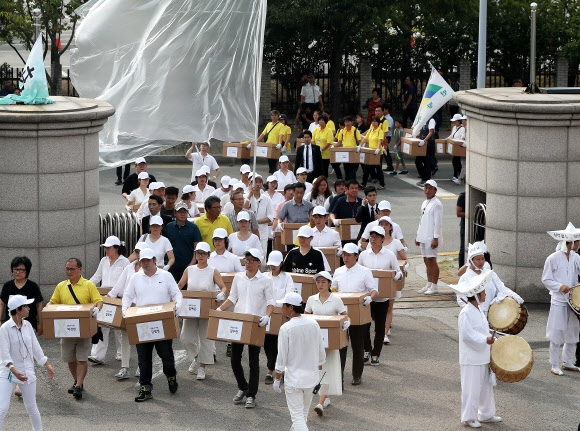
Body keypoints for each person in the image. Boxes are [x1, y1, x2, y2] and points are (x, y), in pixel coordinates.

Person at [122, 249, 183, 402]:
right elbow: (127, 296)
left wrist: (177, 307)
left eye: (148, 260)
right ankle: (145, 388)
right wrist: (125, 312)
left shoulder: (166, 276)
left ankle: (171, 376)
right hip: (142, 322)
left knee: (167, 357)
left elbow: (176, 293)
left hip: (162, 322)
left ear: (155, 260)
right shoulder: (135, 278)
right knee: (144, 358)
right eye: (143, 260)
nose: (146, 263)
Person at [217, 249, 275, 409]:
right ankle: (243, 387)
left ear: (258, 262)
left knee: (253, 361)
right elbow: (232, 298)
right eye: (246, 259)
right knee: (234, 359)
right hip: (239, 321)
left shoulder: (265, 280)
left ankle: (251, 395)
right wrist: (220, 310)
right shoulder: (238, 277)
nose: (248, 262)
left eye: (251, 260)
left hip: (256, 323)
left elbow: (271, 301)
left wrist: (267, 316)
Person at [449, 271, 502, 428]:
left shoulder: (478, 310)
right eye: (483, 293)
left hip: (482, 355)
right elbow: (467, 336)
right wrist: (486, 340)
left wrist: (494, 341)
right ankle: (469, 417)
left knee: (486, 387)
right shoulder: (465, 313)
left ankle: (486, 414)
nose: (485, 295)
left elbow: (483, 333)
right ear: (476, 296)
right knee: (471, 389)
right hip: (471, 358)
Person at [47, 258, 103, 400]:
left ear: (80, 270)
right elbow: (53, 301)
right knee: (70, 359)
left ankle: (78, 386)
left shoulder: (88, 285)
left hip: (83, 330)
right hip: (66, 330)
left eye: (72, 269)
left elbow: (99, 301)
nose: (69, 272)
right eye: (67, 269)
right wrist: (48, 309)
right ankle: (77, 381)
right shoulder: (61, 286)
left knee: (82, 359)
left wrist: (97, 309)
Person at [0, 295, 55, 431]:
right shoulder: (5, 328)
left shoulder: (28, 325)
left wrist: (47, 364)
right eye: (25, 306)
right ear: (18, 309)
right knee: (2, 408)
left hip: (27, 371)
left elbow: (36, 348)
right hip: (9, 373)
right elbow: (5, 354)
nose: (29, 308)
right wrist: (14, 371)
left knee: (32, 407)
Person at [273, 291, 326, 430]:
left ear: (291, 307)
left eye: (284, 305)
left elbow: (281, 357)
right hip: (311, 378)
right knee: (302, 416)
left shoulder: (286, 328)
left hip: (294, 379)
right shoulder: (313, 324)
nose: (281, 308)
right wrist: (319, 372)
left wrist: (277, 378)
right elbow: (321, 352)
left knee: (297, 417)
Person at [178, 242, 227, 380]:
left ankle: (202, 367)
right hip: (190, 309)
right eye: (198, 253)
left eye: (203, 253)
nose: (200, 256)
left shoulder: (213, 271)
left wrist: (221, 294)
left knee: (205, 339)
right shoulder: (189, 270)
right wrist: (176, 297)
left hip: (206, 309)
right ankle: (196, 357)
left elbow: (223, 287)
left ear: (208, 255)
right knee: (185, 338)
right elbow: (179, 285)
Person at [331, 243, 377, 385]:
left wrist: (370, 297)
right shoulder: (338, 271)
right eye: (344, 255)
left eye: (349, 255)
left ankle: (357, 375)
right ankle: (339, 377)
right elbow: (333, 289)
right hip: (341, 314)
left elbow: (374, 289)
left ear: (356, 256)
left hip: (358, 315)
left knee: (358, 346)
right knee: (341, 347)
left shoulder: (364, 271)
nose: (346, 257)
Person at [305, 271, 348, 416]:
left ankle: (320, 403)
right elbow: (305, 316)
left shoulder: (336, 300)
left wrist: (345, 324)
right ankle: (326, 397)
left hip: (330, 342)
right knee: (317, 369)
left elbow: (344, 316)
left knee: (326, 369)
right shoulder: (311, 299)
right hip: (314, 342)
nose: (320, 284)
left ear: (329, 283)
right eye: (318, 282)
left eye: (323, 282)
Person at [0, 257, 44, 399]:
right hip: (11, 324)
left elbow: (39, 305)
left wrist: (40, 322)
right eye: (15, 269)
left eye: (21, 269)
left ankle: (22, 382)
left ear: (27, 271)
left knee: (27, 352)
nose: (17, 272)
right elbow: (1, 303)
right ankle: (14, 380)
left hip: (27, 325)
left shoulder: (32, 286)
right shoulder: (7, 286)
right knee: (11, 352)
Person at [358, 226, 402, 365]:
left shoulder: (389, 255)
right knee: (364, 325)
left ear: (383, 239)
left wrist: (395, 276)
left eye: (376, 237)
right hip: (367, 296)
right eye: (371, 236)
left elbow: (398, 272)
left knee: (379, 327)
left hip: (382, 297)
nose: (373, 239)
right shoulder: (364, 255)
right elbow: (358, 271)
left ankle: (376, 353)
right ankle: (367, 350)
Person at [542, 222, 580, 375]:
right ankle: (554, 364)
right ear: (569, 242)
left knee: (573, 331)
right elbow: (546, 279)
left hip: (573, 301)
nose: (578, 244)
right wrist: (559, 286)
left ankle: (568, 361)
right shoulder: (553, 258)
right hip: (558, 300)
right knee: (556, 331)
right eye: (577, 241)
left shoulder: (576, 257)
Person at [107, 241, 149, 380]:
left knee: (141, 339)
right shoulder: (129, 267)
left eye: (141, 252)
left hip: (141, 308)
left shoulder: (149, 269)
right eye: (136, 251)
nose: (138, 254)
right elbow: (119, 286)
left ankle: (141, 365)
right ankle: (125, 367)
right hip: (127, 307)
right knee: (125, 338)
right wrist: (109, 297)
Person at [88, 236, 129, 366]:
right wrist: (86, 285)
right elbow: (97, 276)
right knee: (102, 325)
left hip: (119, 298)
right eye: (105, 248)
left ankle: (122, 353)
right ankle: (97, 356)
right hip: (105, 298)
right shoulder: (103, 261)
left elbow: (127, 281)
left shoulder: (125, 262)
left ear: (116, 248)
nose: (106, 250)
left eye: (109, 248)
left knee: (119, 328)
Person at [456, 242, 523, 316]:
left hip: (492, 313)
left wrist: (515, 297)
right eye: (478, 259)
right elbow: (460, 297)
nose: (481, 261)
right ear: (471, 261)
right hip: (475, 314)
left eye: (482, 259)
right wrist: (472, 310)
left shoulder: (490, 274)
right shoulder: (466, 277)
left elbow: (502, 288)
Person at [263, 251, 295, 385]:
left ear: (281, 264)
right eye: (271, 265)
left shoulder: (287, 278)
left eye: (275, 265)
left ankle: (271, 371)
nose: (273, 267)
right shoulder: (264, 276)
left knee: (277, 343)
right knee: (266, 342)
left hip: (280, 314)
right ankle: (273, 367)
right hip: (266, 313)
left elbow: (290, 293)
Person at [378, 216, 409, 343]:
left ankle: (384, 333)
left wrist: (405, 267)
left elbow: (405, 259)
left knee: (389, 306)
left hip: (391, 279)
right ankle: (379, 330)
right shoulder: (373, 242)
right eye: (382, 224)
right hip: (377, 279)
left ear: (391, 227)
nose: (384, 226)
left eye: (386, 224)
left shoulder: (396, 243)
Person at [416, 180, 443, 295]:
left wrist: (435, 238)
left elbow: (438, 223)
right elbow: (421, 220)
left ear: (435, 190)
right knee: (426, 260)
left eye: (430, 188)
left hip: (431, 237)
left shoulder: (437, 204)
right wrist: (418, 235)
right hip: (423, 236)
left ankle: (435, 285)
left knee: (432, 260)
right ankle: (429, 283)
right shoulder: (425, 202)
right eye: (426, 188)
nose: (427, 191)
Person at [165, 202, 202, 281]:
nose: (182, 214)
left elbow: (197, 248)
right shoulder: (169, 227)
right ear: (175, 213)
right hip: (172, 267)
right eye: (180, 212)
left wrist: (191, 265)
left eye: (184, 212)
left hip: (188, 266)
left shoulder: (193, 228)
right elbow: (165, 246)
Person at [245, 173, 274, 254]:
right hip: (248, 232)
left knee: (262, 255)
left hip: (262, 233)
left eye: (259, 182)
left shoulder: (266, 199)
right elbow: (243, 210)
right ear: (250, 183)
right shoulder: (245, 197)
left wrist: (256, 222)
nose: (257, 184)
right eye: (255, 182)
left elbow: (270, 217)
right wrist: (250, 195)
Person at [359, 117, 386, 189]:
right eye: (372, 121)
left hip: (377, 153)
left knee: (378, 169)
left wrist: (378, 148)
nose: (373, 123)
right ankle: (363, 184)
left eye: (375, 121)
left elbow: (380, 140)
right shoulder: (370, 130)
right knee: (367, 168)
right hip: (370, 152)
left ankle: (382, 184)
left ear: (378, 123)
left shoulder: (380, 131)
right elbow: (365, 138)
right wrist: (360, 145)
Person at [333, 116, 362, 181]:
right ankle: (347, 184)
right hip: (345, 153)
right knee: (346, 169)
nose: (347, 123)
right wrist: (333, 146)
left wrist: (359, 146)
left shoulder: (355, 131)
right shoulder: (342, 131)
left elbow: (360, 141)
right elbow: (339, 142)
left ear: (351, 122)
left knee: (352, 170)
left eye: (348, 121)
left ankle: (353, 183)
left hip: (353, 152)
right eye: (345, 122)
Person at [257, 110, 286, 174]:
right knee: (270, 165)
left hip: (275, 147)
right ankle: (270, 177)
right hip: (268, 147)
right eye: (272, 115)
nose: (273, 117)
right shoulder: (268, 124)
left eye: (275, 115)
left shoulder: (281, 125)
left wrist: (279, 143)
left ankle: (273, 177)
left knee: (274, 164)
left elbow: (281, 135)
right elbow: (263, 134)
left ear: (278, 117)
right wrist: (256, 142)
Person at [415, 116, 436, 187]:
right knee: (418, 161)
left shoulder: (431, 120)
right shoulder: (423, 120)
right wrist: (414, 136)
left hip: (429, 144)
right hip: (423, 144)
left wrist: (424, 140)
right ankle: (423, 178)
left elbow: (431, 132)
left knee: (427, 162)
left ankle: (426, 180)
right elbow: (421, 131)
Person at [313, 114, 334, 178]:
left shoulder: (329, 130)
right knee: (317, 169)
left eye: (322, 120)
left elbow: (329, 142)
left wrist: (321, 149)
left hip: (325, 154)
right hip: (316, 153)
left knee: (324, 170)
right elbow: (312, 140)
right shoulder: (316, 130)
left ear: (325, 121)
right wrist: (316, 149)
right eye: (319, 120)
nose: (320, 122)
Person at [447, 113, 467, 184]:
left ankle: (458, 176)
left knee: (458, 162)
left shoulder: (462, 128)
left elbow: (463, 137)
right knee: (456, 161)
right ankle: (458, 176)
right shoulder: (454, 128)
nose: (454, 122)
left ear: (459, 121)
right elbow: (451, 135)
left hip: (459, 147)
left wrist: (460, 141)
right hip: (455, 146)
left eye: (455, 121)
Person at [457, 192, 466, 268]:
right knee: (463, 249)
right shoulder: (463, 196)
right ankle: (461, 269)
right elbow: (458, 213)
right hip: (464, 225)